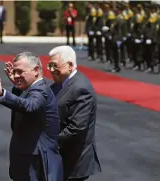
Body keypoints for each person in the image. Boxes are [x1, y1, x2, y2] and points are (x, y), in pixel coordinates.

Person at [0, 52, 63, 181]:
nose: (15, 75)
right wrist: (19, 86)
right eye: (14, 72)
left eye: (20, 72)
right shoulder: (29, 89)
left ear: (36, 70)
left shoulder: (41, 90)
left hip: (36, 163)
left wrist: (2, 93)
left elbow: (29, 105)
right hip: (26, 160)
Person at [47, 46, 101, 181]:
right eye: (49, 65)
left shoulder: (81, 88)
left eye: (55, 66)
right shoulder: (60, 83)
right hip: (60, 159)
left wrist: (47, 140)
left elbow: (76, 129)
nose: (51, 70)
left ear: (70, 65)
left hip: (73, 162)